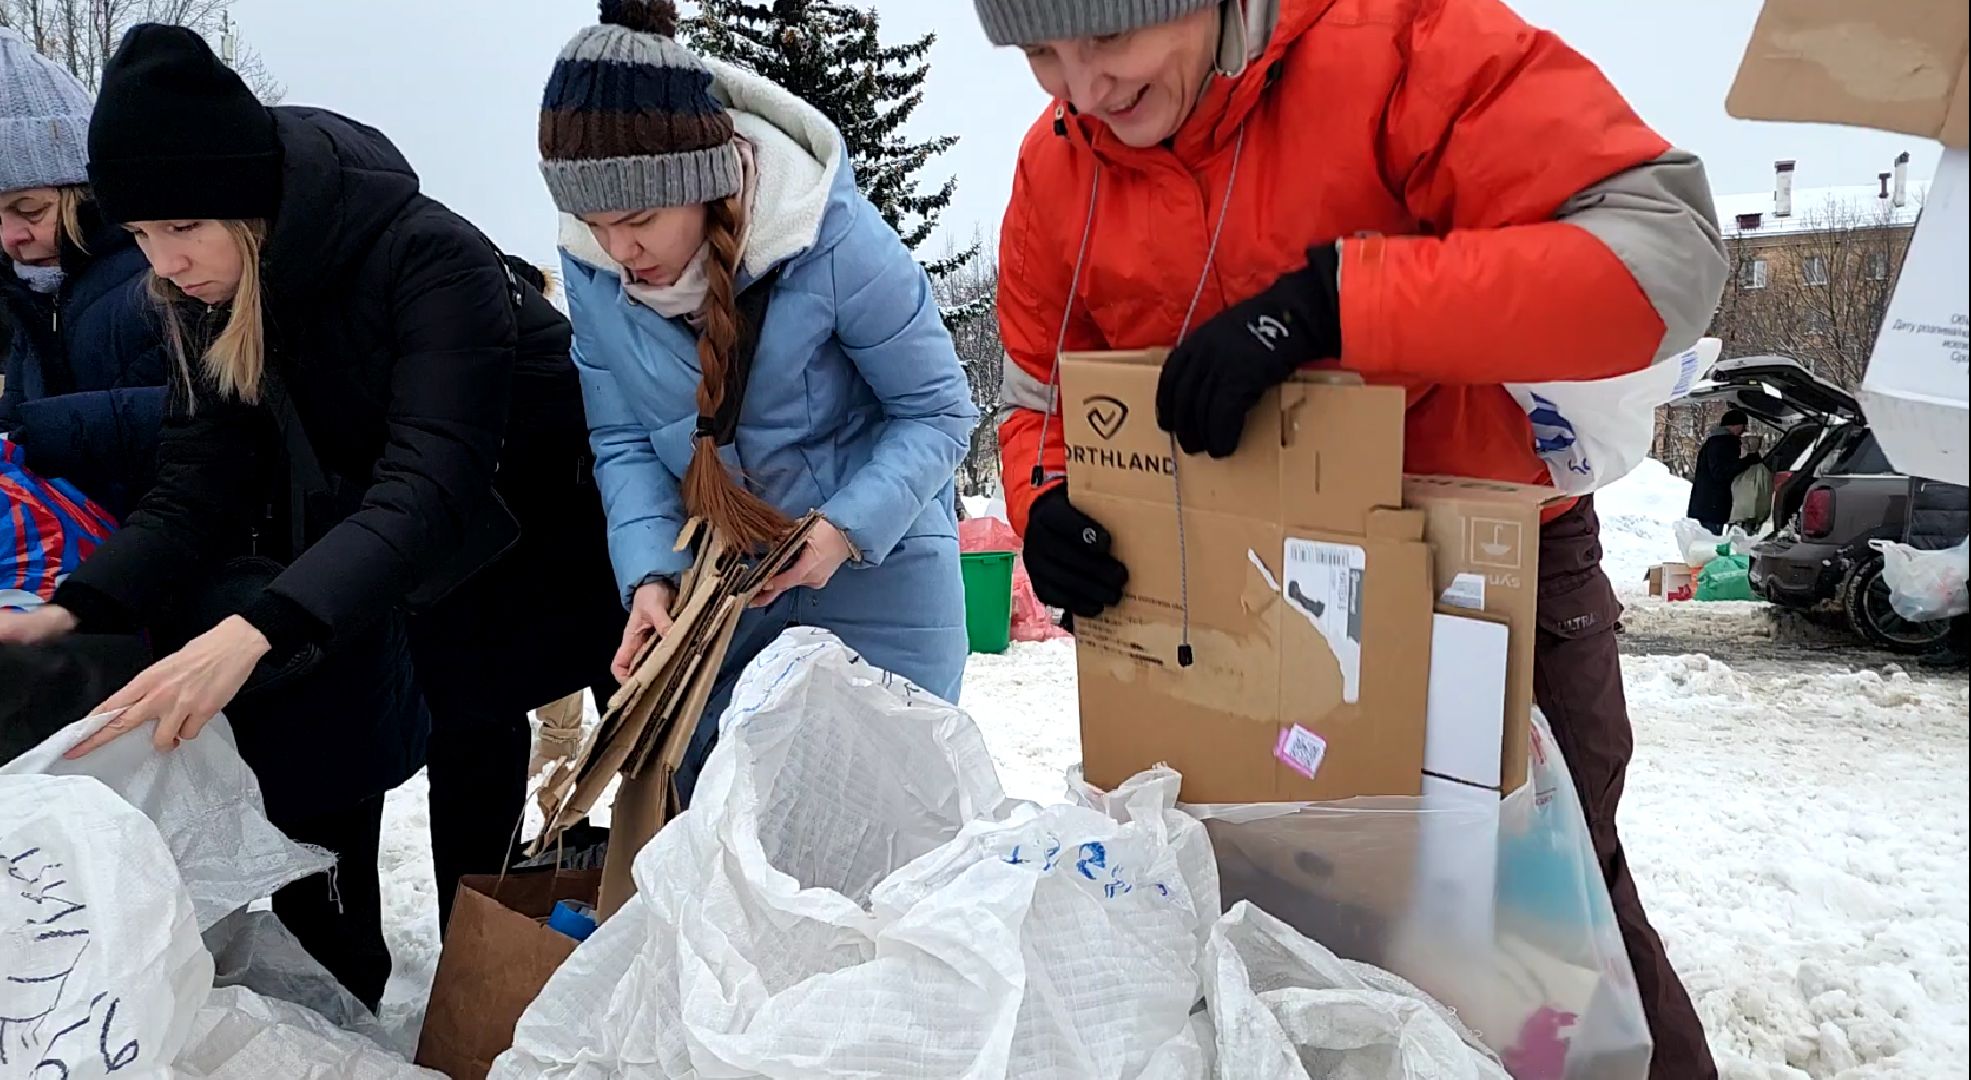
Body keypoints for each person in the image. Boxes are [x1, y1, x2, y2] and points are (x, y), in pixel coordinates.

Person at [972, 1, 1725, 1076]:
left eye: (1107, 40)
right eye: (1040, 53)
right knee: (1281, 922)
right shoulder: (1056, 172)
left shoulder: (1397, 48)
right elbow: (1035, 391)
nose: (1081, 90)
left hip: (1470, 585)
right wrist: (1047, 495)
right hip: (1235, 607)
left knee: (1537, 924)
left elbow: (1666, 261)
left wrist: (1337, 303)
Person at [0, 24, 621, 1007]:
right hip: (391, 559)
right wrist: (77, 608)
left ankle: (484, 992)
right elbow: (195, 489)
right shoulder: (205, 292)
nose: (165, 263)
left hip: (541, 546)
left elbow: (428, 478)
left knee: (481, 752)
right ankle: (357, 990)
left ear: (242, 197)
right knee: (340, 719)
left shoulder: (428, 259)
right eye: (142, 238)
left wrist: (260, 625)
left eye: (182, 231)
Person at [539, 0, 976, 804]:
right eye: (593, 224)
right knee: (737, 841)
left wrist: (845, 530)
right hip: (721, 596)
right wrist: (648, 579)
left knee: (881, 822)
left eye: (638, 219)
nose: (618, 249)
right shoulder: (595, 277)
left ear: (702, 186)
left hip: (876, 578)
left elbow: (939, 411)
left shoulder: (833, 240)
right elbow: (626, 443)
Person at [2, 27, 168, 520]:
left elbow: (216, 414)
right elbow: (16, 418)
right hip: (75, 550)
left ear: (86, 192)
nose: (11, 237)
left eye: (29, 210)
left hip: (170, 555)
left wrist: (52, 430)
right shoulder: (30, 291)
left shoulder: (163, 274)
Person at [1689, 408, 1758, 533]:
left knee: (1709, 542)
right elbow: (1721, 473)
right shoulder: (1723, 443)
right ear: (1734, 425)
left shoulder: (1715, 441)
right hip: (1713, 505)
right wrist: (1747, 462)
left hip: (1707, 504)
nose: (1743, 431)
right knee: (1712, 543)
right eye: (1742, 426)